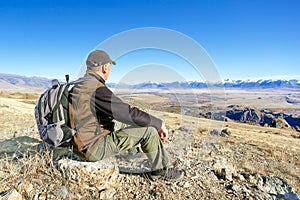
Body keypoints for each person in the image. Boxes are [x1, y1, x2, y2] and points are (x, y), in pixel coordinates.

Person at [69, 50, 184, 180]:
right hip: (93, 148)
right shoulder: (96, 89)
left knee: (120, 123)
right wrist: (158, 124)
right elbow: (126, 112)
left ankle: (132, 153)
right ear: (104, 67)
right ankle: (161, 171)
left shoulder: (80, 84)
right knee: (149, 131)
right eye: (109, 67)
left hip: (80, 143)